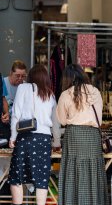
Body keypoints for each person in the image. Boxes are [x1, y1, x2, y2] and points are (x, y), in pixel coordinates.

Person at [8, 64, 61, 205]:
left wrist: (13, 137)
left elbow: (16, 115)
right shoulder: (50, 94)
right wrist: (56, 142)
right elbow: (55, 122)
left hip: (26, 137)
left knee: (17, 177)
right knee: (41, 179)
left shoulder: (23, 88)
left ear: (31, 76)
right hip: (44, 140)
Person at [56, 64, 108, 205]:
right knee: (93, 169)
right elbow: (99, 116)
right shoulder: (95, 91)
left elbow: (61, 119)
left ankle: (73, 201)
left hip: (74, 135)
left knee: (73, 169)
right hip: (92, 135)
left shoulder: (66, 94)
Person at [1, 60, 27, 144]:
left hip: (20, 127)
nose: (20, 78)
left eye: (23, 76)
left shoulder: (26, 86)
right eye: (17, 76)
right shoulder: (2, 83)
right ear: (11, 73)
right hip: (4, 126)